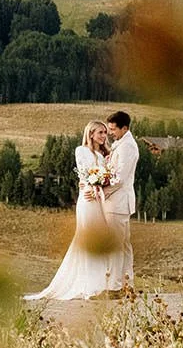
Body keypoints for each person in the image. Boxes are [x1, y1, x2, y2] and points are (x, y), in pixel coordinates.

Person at [24, 120, 121, 300]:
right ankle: (89, 284)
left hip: (99, 200)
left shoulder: (103, 155)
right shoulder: (81, 151)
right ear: (91, 133)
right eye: (100, 132)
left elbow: (106, 177)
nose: (103, 136)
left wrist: (100, 186)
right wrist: (91, 187)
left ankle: (101, 283)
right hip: (88, 199)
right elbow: (84, 174)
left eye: (105, 133)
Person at [102, 110, 137, 293]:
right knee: (123, 245)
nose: (110, 133)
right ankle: (126, 285)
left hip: (117, 202)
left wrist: (102, 190)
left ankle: (115, 287)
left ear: (125, 128)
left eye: (113, 129)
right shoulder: (121, 144)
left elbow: (120, 177)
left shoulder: (127, 147)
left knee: (117, 246)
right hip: (119, 202)